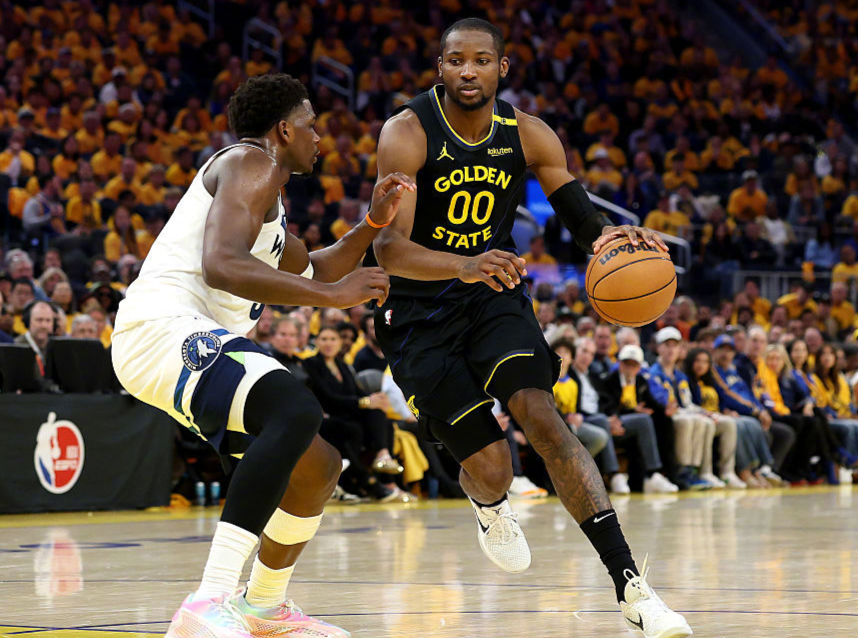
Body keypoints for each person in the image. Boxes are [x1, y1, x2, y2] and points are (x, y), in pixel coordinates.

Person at [370, 19, 690, 636]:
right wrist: (463, 263)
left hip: (493, 296)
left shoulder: (530, 134)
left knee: (542, 416)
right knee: (492, 467)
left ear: (502, 68)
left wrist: (614, 239)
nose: (468, 71)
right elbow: (388, 248)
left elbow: (580, 217)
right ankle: (490, 504)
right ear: (440, 67)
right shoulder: (407, 132)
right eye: (456, 60)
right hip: (417, 313)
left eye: (480, 60)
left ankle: (632, 587)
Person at [111, 74, 415, 638]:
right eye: (311, 125)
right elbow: (221, 264)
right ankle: (209, 600)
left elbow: (319, 266)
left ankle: (264, 607)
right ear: (283, 130)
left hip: (181, 342)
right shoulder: (251, 161)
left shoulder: (264, 199)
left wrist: (373, 222)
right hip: (160, 326)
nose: (319, 137)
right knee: (294, 409)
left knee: (318, 465)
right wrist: (333, 298)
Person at [571, 337, 678, 495]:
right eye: (627, 363)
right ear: (620, 364)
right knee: (604, 420)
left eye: (634, 365)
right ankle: (614, 475)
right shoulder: (607, 379)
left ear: (639, 367)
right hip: (595, 420)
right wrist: (614, 417)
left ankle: (654, 474)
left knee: (646, 420)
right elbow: (607, 404)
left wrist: (665, 410)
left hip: (611, 419)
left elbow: (649, 403)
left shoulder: (594, 376)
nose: (630, 368)